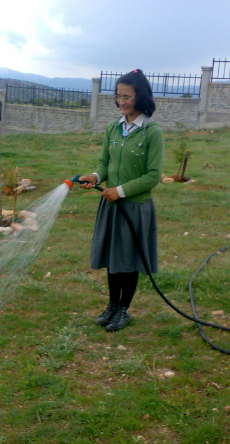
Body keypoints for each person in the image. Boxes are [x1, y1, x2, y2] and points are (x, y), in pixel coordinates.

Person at [79, 69, 164, 332]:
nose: (122, 102)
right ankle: (112, 306)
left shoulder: (152, 132)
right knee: (114, 260)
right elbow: (105, 164)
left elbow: (153, 176)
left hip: (135, 207)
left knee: (128, 262)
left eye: (127, 96)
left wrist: (121, 191)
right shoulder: (113, 128)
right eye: (118, 96)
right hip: (112, 206)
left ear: (141, 97)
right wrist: (95, 176)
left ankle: (124, 310)